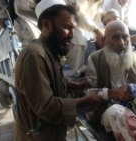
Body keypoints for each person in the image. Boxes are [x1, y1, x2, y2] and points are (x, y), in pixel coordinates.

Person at [14, 0, 102, 140]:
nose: (72, 35)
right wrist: (86, 100)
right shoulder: (34, 55)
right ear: (46, 25)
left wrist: (77, 85)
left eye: (73, 28)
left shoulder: (50, 52)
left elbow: (54, 82)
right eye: (67, 27)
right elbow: (47, 107)